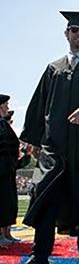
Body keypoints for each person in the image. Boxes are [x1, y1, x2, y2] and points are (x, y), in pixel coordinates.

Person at [20, 11, 79, 264]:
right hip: (56, 145)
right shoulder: (54, 68)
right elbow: (39, 104)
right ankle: (40, 255)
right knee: (45, 195)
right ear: (66, 34)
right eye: (74, 30)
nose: (78, 35)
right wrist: (33, 140)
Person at [0, 95, 20, 246]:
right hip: (2, 170)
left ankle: (6, 234)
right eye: (6, 105)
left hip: (7, 169)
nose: (7, 107)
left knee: (9, 202)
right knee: (2, 202)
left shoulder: (2, 124)